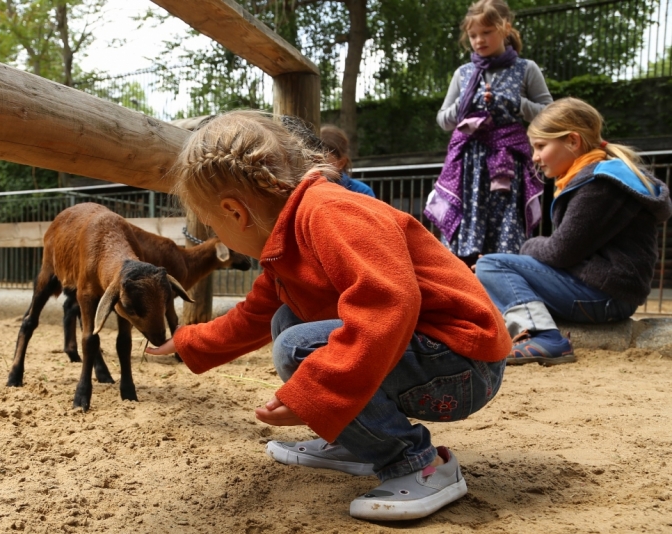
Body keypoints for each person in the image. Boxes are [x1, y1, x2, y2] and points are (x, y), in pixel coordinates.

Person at [146, 110, 511, 521]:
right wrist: (189, 340)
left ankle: (420, 465)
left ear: (234, 212)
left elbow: (387, 302)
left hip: (464, 365)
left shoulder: (330, 213)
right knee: (287, 319)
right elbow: (253, 314)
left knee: (295, 345)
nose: (216, 233)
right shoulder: (287, 241)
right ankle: (357, 441)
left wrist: (318, 393)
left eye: (210, 224)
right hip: (432, 352)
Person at [476, 97, 672, 365]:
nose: (534, 157)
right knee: (493, 271)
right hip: (609, 293)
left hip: (606, 297)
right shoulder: (597, 178)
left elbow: (560, 252)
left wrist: (526, 247)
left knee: (492, 265)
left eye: (540, 146)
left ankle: (544, 337)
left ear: (572, 141)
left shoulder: (600, 185)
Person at [425, 0, 552, 267]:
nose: (479, 40)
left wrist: (516, 103)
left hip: (507, 166)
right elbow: (443, 120)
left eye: (486, 32)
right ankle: (462, 288)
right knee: (464, 228)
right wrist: (465, 103)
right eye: (473, 35)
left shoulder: (526, 68)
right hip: (468, 167)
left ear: (505, 28)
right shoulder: (463, 74)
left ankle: (502, 285)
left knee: (506, 227)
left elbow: (549, 113)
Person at [320, 124, 376, 198]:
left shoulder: (361, 192)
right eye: (312, 160)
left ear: (341, 163)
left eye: (322, 162)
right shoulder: (306, 189)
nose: (316, 168)